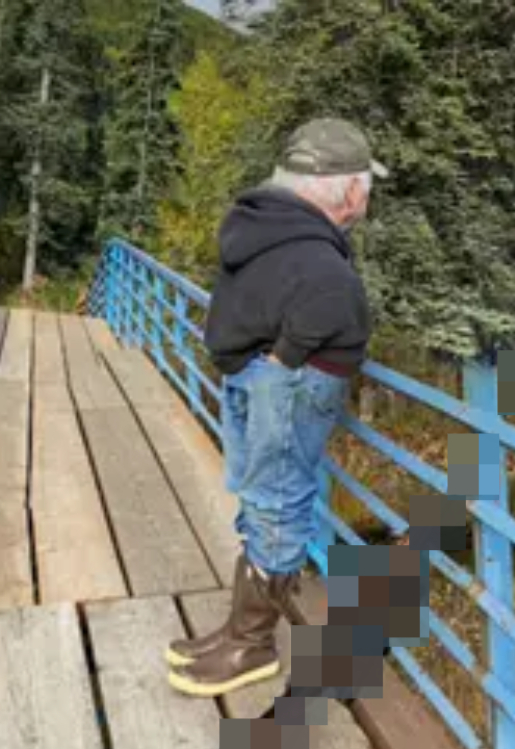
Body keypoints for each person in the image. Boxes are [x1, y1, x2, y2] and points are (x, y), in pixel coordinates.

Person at [166, 118, 388, 697]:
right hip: (288, 384)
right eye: (365, 185)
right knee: (281, 502)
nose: (366, 196)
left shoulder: (262, 222)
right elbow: (335, 303)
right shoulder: (317, 255)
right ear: (348, 191)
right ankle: (252, 645)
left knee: (266, 499)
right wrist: (287, 359)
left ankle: (241, 632)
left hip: (257, 374)